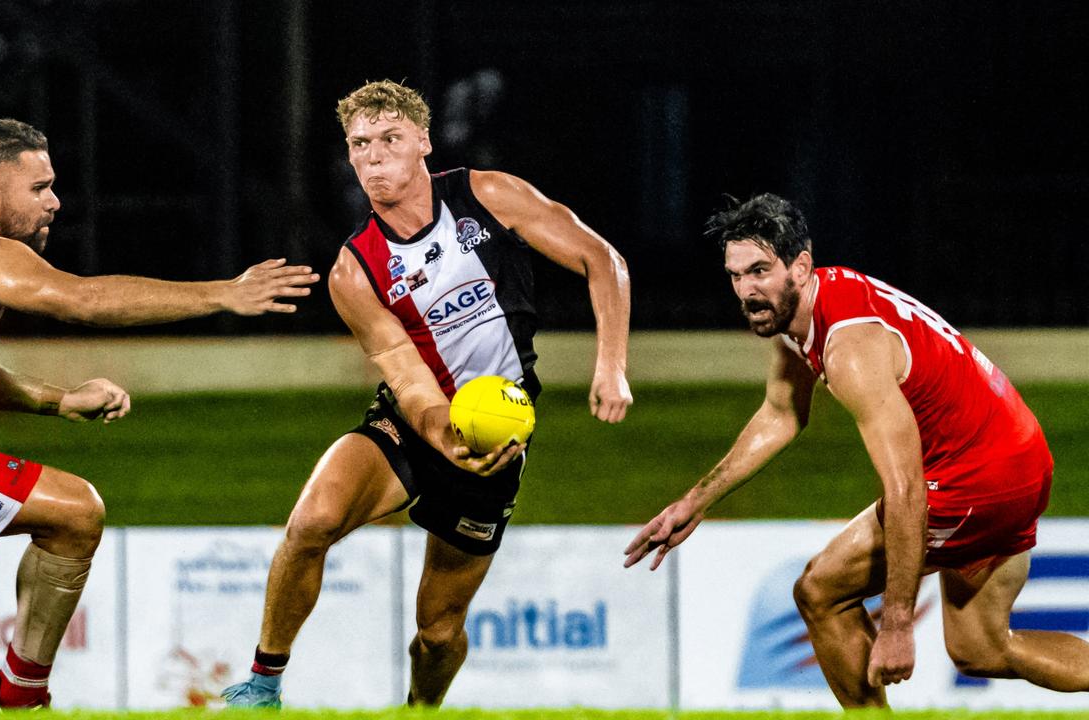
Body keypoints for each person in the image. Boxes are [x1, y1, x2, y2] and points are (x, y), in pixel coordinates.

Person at [0, 117, 318, 710]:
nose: (55, 201)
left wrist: (56, 399)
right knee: (77, 513)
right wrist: (222, 294)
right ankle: (19, 697)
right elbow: (82, 299)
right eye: (40, 187)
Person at [222, 79, 633, 709]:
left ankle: (421, 709)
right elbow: (406, 376)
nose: (375, 155)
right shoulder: (353, 271)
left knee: (437, 633)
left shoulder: (486, 195)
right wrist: (441, 431)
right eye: (361, 144)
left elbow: (602, 260)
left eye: (390, 138)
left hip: (497, 436)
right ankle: (262, 685)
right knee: (311, 522)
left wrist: (611, 365)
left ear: (423, 143)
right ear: (350, 158)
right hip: (414, 423)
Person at [623, 193, 1089, 707]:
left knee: (820, 592)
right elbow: (782, 414)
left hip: (977, 478)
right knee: (982, 649)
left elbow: (907, 488)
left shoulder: (851, 350)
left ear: (800, 266)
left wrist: (895, 626)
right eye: (735, 275)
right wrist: (694, 501)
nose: (746, 291)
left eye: (759, 271)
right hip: (1017, 458)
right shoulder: (812, 306)